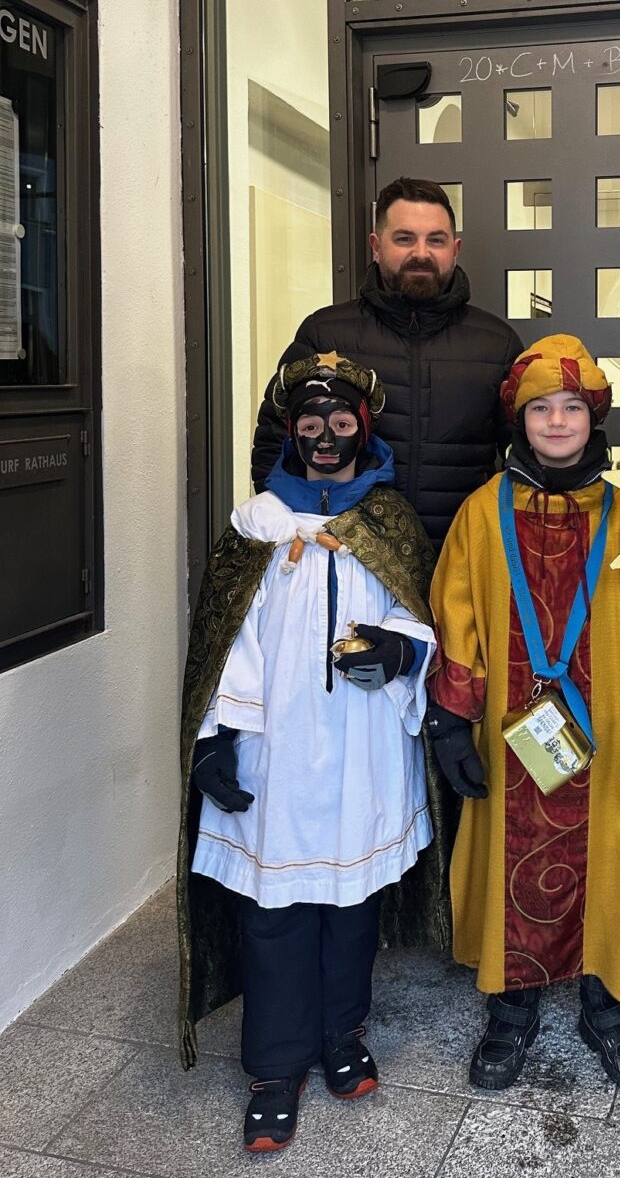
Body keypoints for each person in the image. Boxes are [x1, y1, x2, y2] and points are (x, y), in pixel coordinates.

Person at [177, 352, 446, 1153]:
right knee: (275, 909)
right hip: (276, 748)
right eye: (308, 425)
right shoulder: (256, 522)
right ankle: (274, 1063)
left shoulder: (390, 520)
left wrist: (400, 655)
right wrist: (218, 738)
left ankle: (338, 1032)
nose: (324, 440)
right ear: (289, 434)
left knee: (351, 901)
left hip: (364, 746)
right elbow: (223, 648)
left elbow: (418, 615)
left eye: (339, 425)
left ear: (363, 428)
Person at [425, 335, 620, 1093]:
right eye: (542, 409)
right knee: (510, 849)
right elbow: (457, 614)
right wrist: (447, 721)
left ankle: (608, 1004)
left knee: (609, 852)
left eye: (571, 407)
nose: (557, 422)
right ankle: (512, 1006)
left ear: (593, 416)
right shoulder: (480, 511)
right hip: (511, 724)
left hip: (606, 724)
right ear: (520, 419)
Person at [251, 176, 524, 548]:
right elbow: (274, 442)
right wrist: (291, 531)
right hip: (350, 559)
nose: (422, 253)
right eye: (405, 238)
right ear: (376, 247)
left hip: (462, 556)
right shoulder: (325, 335)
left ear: (455, 249)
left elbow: (524, 454)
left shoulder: (497, 344)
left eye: (436, 239)